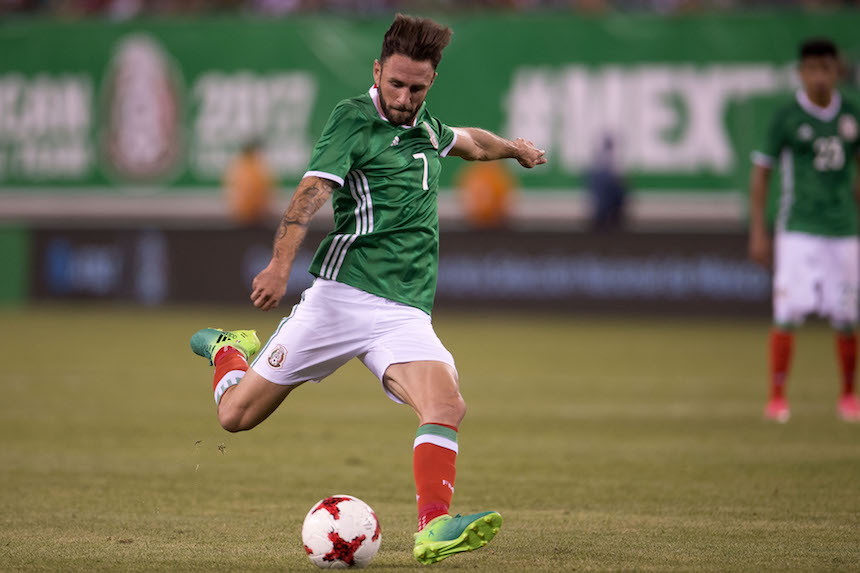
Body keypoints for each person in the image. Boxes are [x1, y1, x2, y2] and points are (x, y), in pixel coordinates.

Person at [189, 14, 546, 564]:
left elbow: (472, 143)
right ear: (377, 71)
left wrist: (513, 149)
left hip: (404, 312)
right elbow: (311, 192)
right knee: (234, 417)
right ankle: (228, 350)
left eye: (416, 88)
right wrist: (280, 264)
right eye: (395, 84)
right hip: (339, 299)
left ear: (431, 82)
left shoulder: (427, 129)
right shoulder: (352, 119)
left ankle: (433, 526)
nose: (403, 98)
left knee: (446, 404)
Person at [748, 37, 860, 423]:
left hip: (844, 227)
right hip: (799, 226)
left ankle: (849, 396)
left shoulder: (852, 113)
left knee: (846, 314)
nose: (819, 77)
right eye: (811, 69)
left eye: (825, 68)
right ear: (801, 73)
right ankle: (777, 397)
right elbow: (761, 172)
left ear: (836, 70)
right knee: (788, 310)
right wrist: (758, 230)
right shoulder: (787, 117)